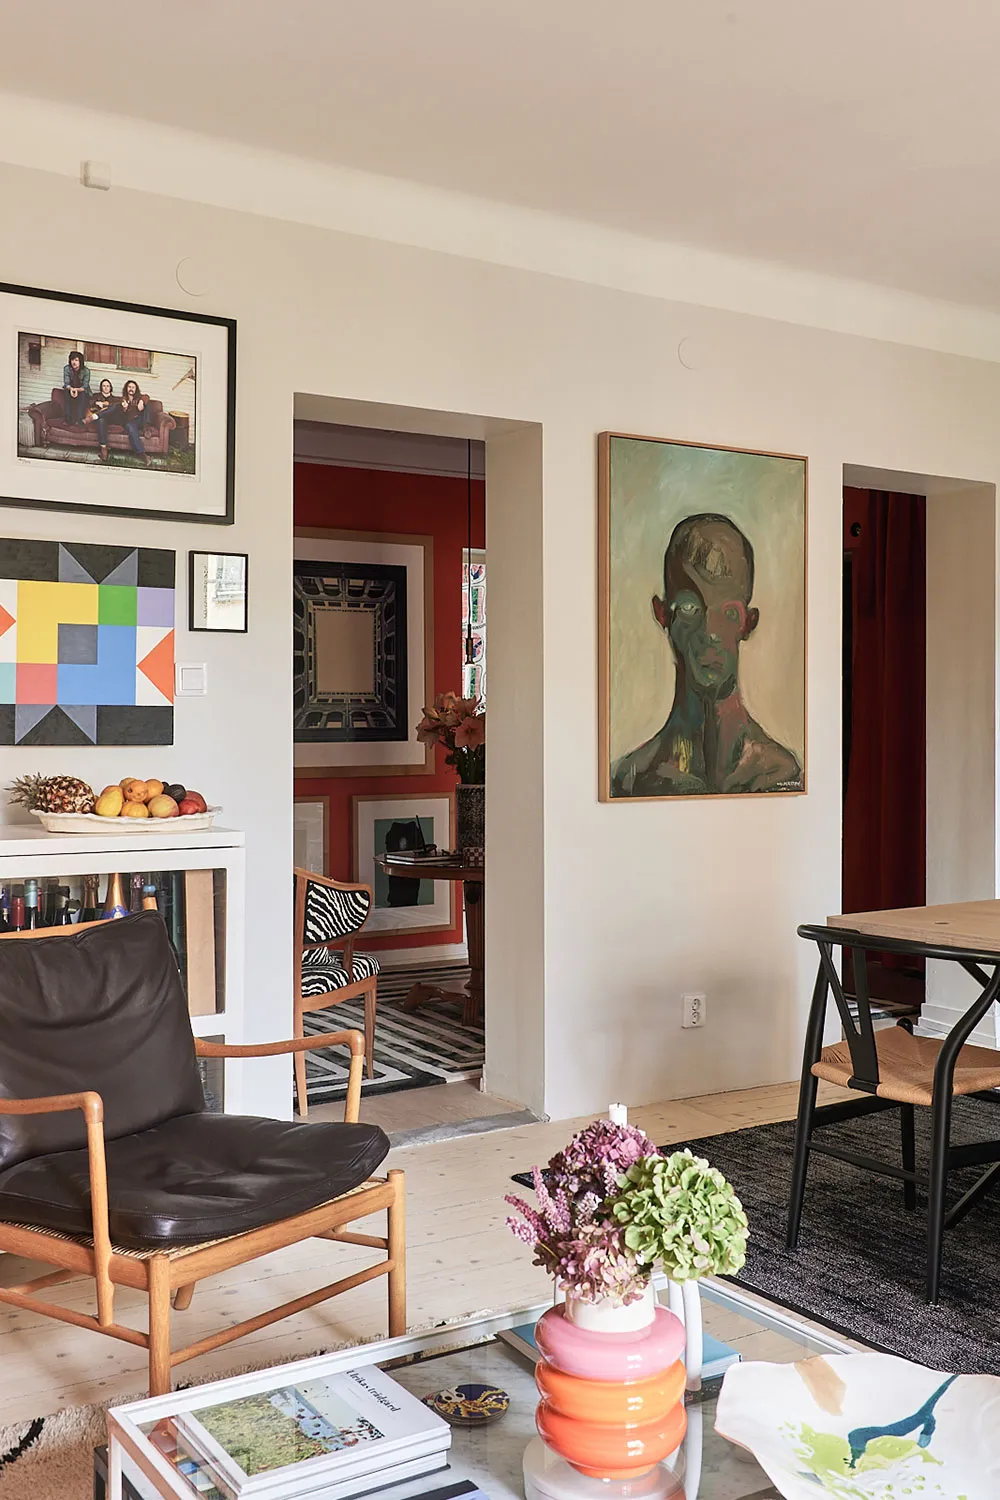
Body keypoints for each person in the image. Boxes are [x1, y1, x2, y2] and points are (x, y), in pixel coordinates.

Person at [611, 512, 803, 797]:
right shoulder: (630, 781)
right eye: (690, 607)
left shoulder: (782, 776)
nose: (710, 632)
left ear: (748, 622)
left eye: (728, 612)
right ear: (663, 615)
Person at [97, 378, 152, 465]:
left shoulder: (139, 397)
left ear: (136, 389)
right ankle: (142, 454)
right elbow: (122, 416)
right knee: (130, 427)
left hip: (141, 420)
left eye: (133, 387)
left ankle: (146, 428)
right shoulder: (123, 399)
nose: (131, 389)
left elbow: (147, 396)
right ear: (126, 389)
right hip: (131, 422)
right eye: (129, 387)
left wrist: (142, 401)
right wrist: (125, 409)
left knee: (147, 405)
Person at [62, 350, 91, 425]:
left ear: (80, 361)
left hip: (82, 390)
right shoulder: (67, 368)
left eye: (76, 360)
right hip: (70, 389)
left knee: (82, 396)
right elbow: (66, 383)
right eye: (72, 360)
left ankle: (79, 420)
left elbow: (85, 386)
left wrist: (76, 390)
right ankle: (68, 420)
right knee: (66, 394)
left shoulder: (86, 371)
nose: (74, 362)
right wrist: (71, 389)